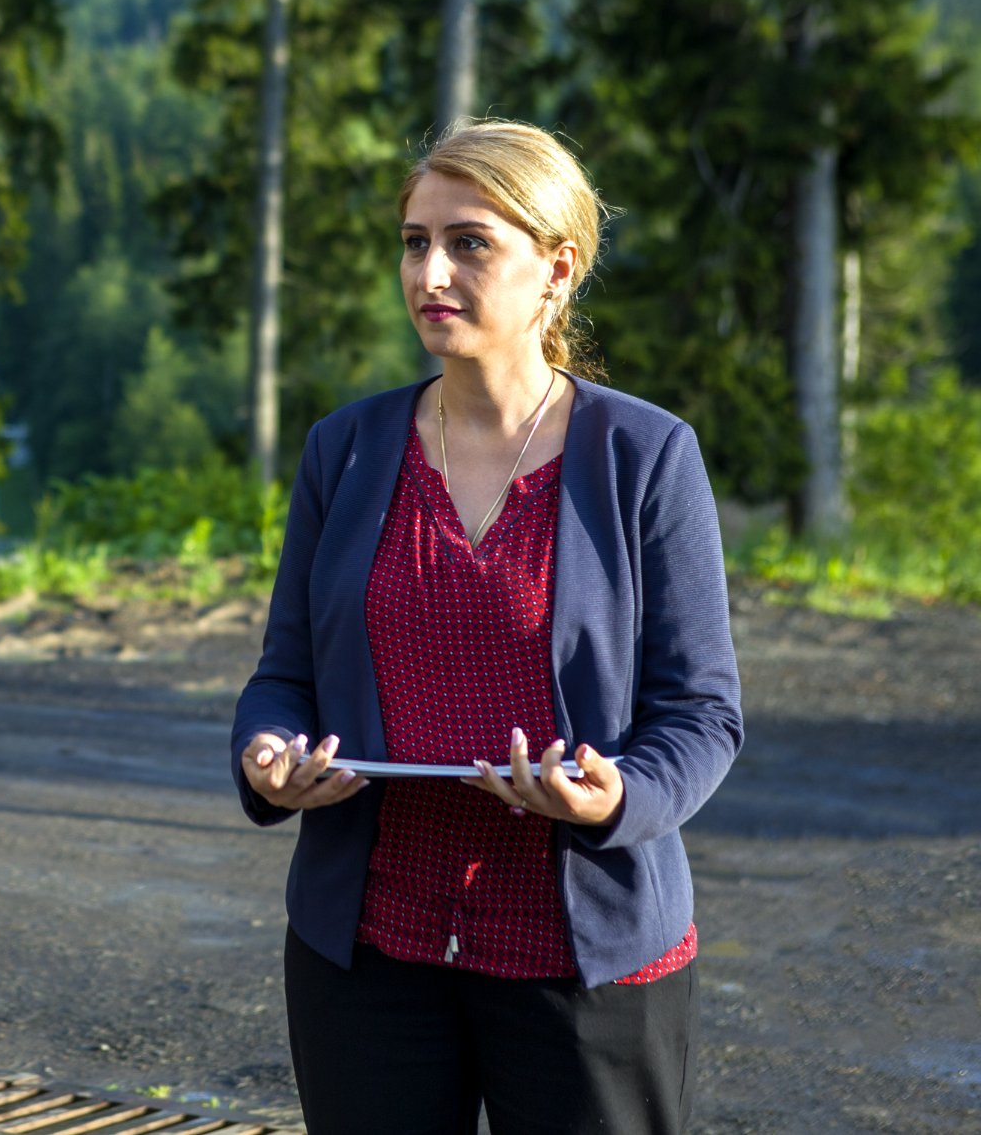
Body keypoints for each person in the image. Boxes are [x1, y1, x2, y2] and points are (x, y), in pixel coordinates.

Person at [231, 120, 743, 1135]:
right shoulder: (344, 448)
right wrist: (268, 752)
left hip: (584, 962)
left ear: (557, 269)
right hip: (369, 954)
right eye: (415, 242)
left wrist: (618, 795)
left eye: (469, 243)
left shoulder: (645, 455)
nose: (431, 272)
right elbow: (285, 671)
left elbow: (701, 713)